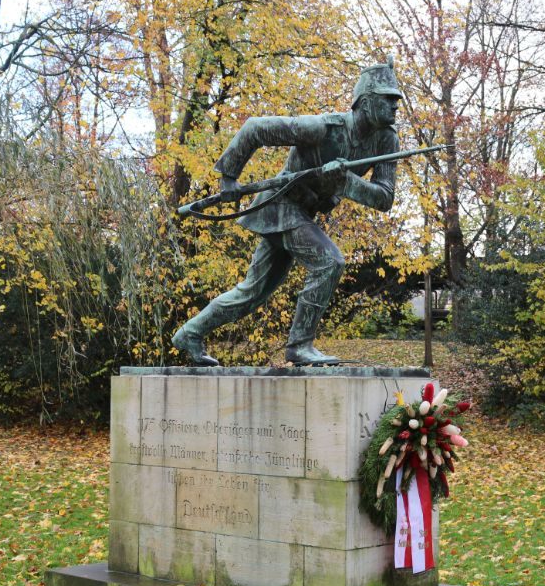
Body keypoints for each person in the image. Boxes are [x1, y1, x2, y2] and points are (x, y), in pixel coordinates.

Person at [172, 59, 403, 366]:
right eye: (388, 99)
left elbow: (384, 198)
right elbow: (255, 129)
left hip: (304, 213)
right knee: (329, 262)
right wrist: (228, 177)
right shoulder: (322, 128)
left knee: (252, 292)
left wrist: (346, 181)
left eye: (395, 100)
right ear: (366, 101)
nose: (395, 106)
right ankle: (299, 346)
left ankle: (190, 333)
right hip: (281, 205)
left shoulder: (387, 139)